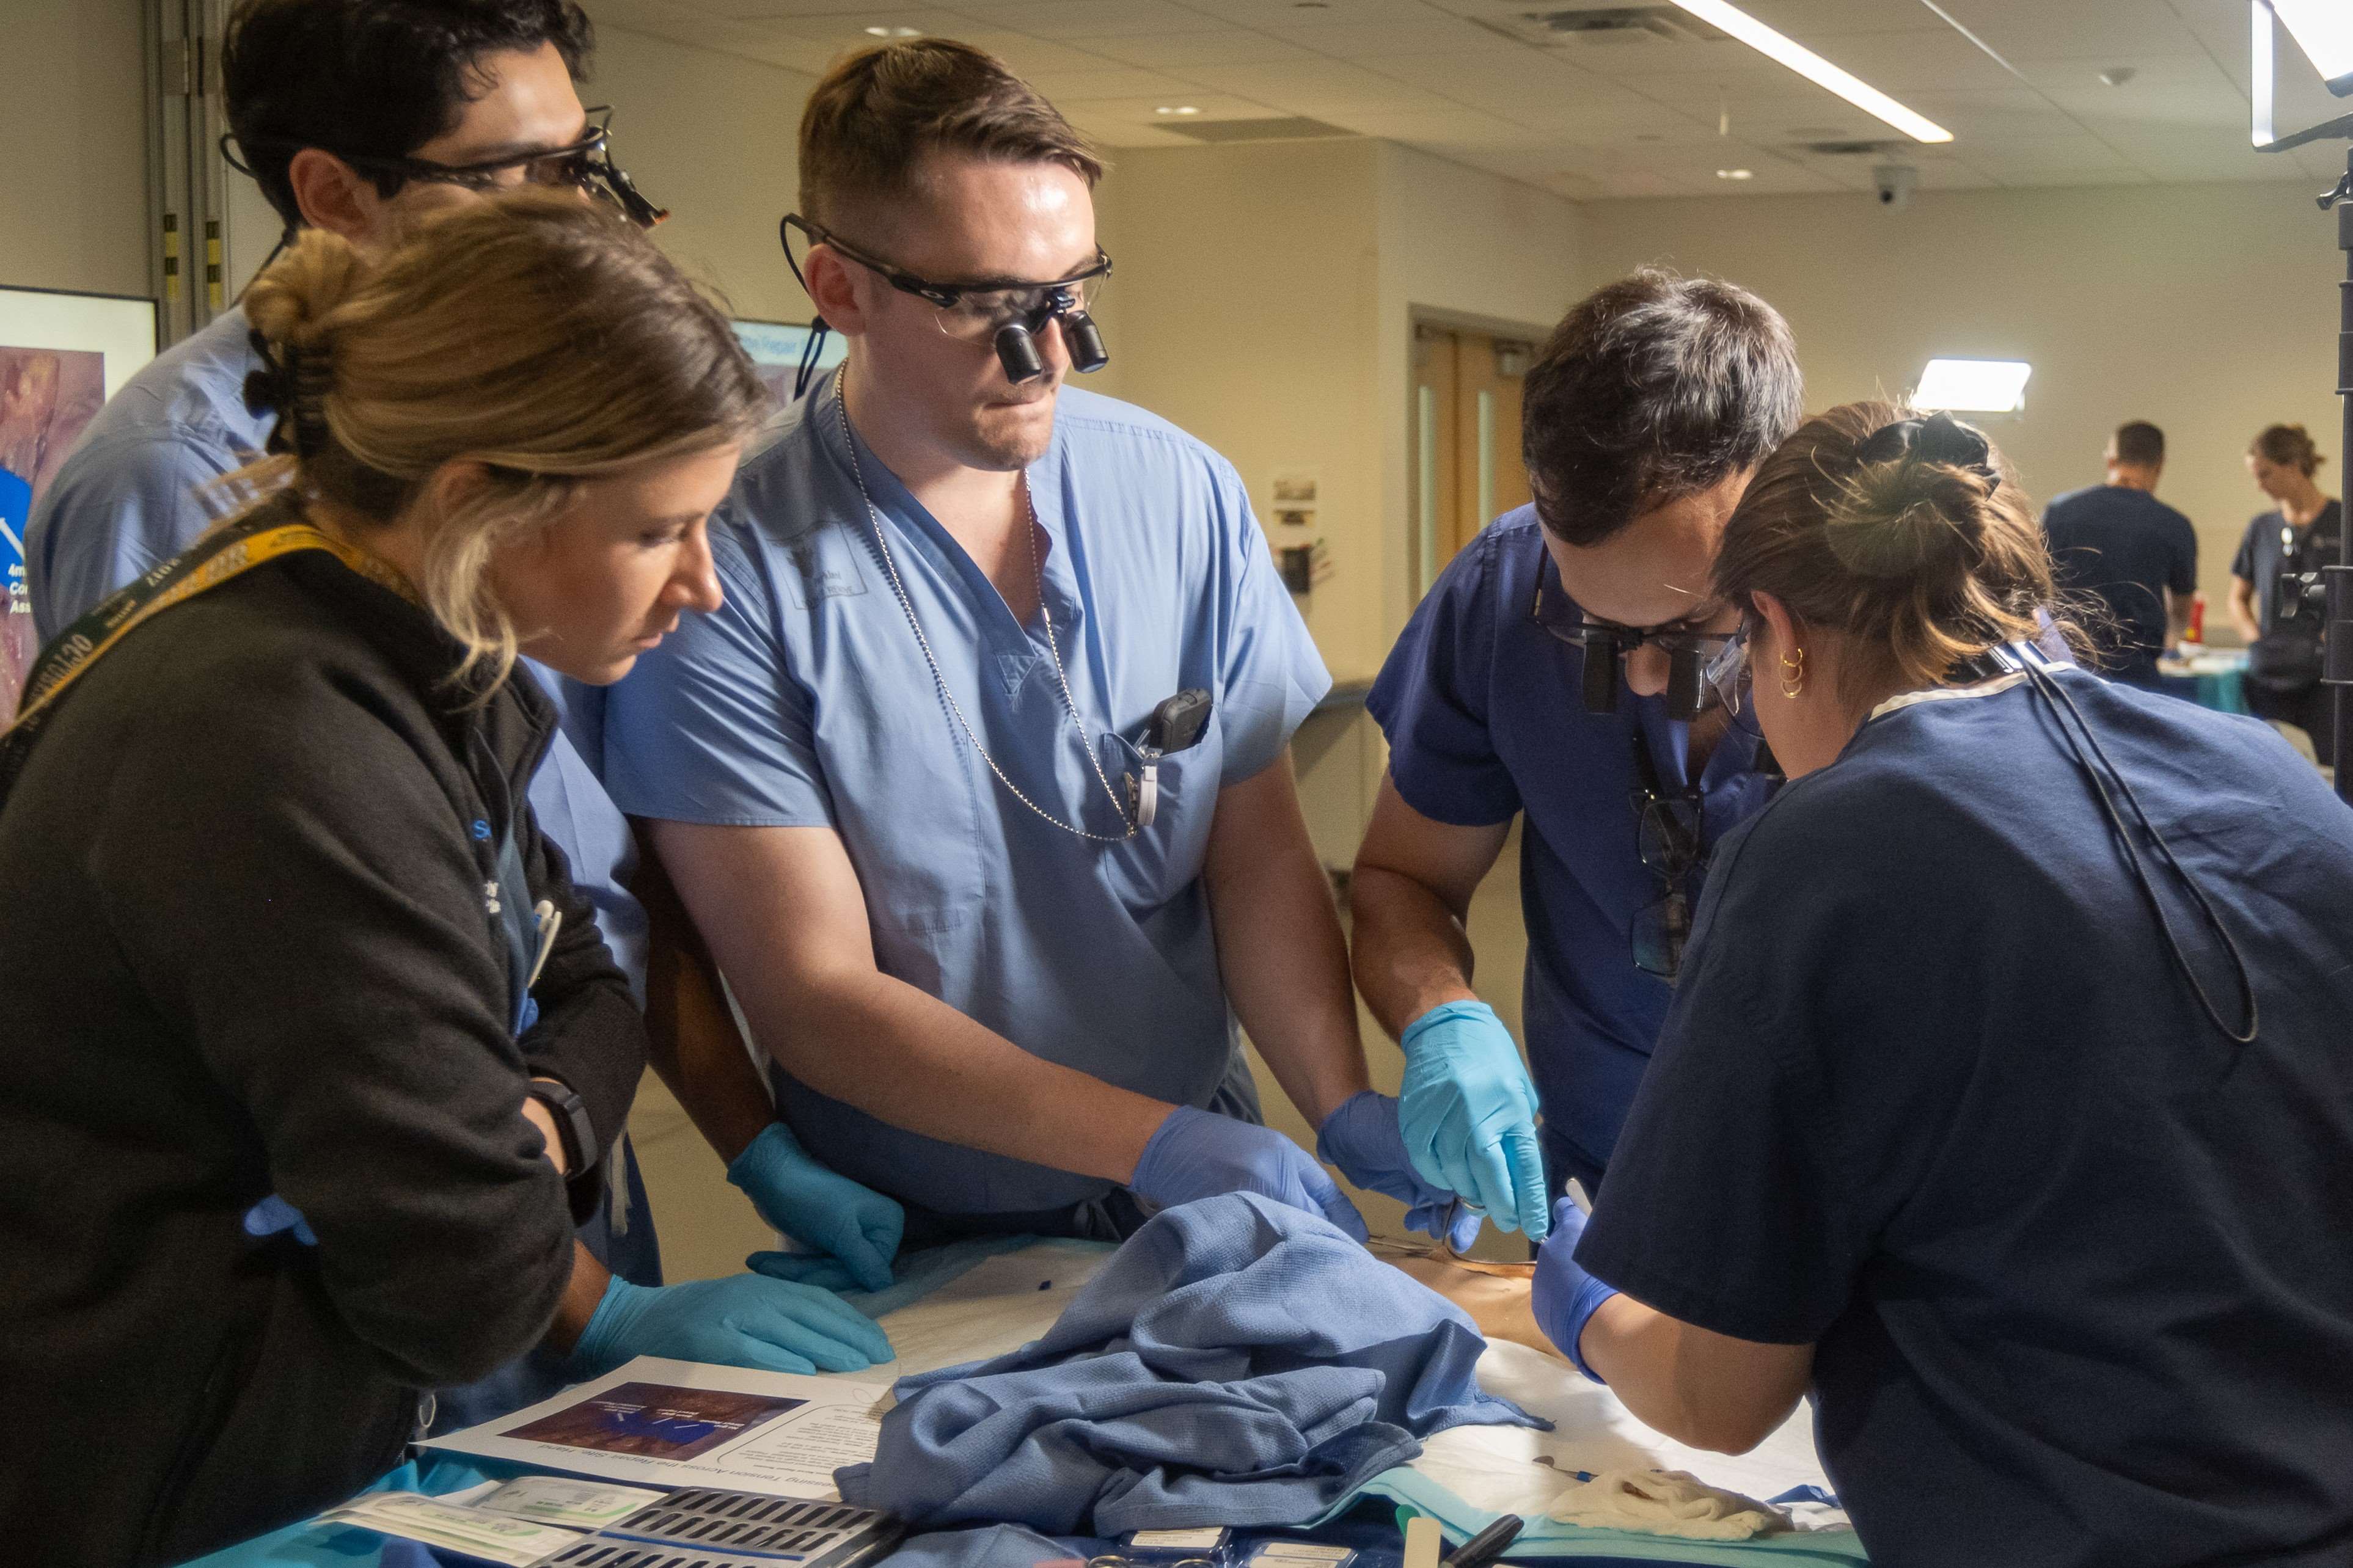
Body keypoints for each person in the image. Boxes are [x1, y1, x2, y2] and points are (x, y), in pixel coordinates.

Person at [0, 197, 896, 1568]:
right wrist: (509, 1180)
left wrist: (510, 1126)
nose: (703, 587)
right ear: (481, 494)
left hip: (309, 1433)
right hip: (160, 1485)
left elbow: (591, 974)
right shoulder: (278, 734)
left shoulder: (430, 662)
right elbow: (465, 1275)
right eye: (662, 530)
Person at [605, 39, 1460, 1249]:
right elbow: (817, 994)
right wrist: (1148, 1138)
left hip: (1198, 1183)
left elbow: (1255, 858)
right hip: (925, 1216)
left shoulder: (1180, 493)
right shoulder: (726, 563)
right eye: (992, 305)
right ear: (839, 287)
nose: (1050, 351)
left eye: (1072, 291)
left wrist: (1334, 1098)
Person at [1531, 403, 2353, 1567]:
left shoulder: (1823, 853)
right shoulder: (2271, 775)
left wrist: (1584, 1305)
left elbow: (1719, 1397)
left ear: (1779, 631)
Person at [1348, 271, 1801, 1228]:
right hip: (1605, 1165)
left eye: (1688, 632)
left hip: (1847, 1185)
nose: (1639, 682)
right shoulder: (1500, 591)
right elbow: (1401, 880)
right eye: (1591, 632)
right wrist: (1441, 1015)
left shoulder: (1907, 629)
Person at [2040, 420, 2196, 686]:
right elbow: (2182, 611)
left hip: (2066, 671)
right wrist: (2168, 646)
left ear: (2111, 460)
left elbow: (2034, 589)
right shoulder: (2174, 525)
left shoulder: (2060, 512)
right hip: (2137, 677)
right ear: (2160, 465)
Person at [2230, 421, 2342, 759]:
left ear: (2293, 467)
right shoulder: (2261, 529)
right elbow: (2237, 597)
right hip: (2271, 673)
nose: (2259, 485)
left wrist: (2333, 637)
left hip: (2325, 676)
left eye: (2265, 474)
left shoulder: (2343, 522)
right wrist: (2255, 640)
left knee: (2327, 766)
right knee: (2272, 762)